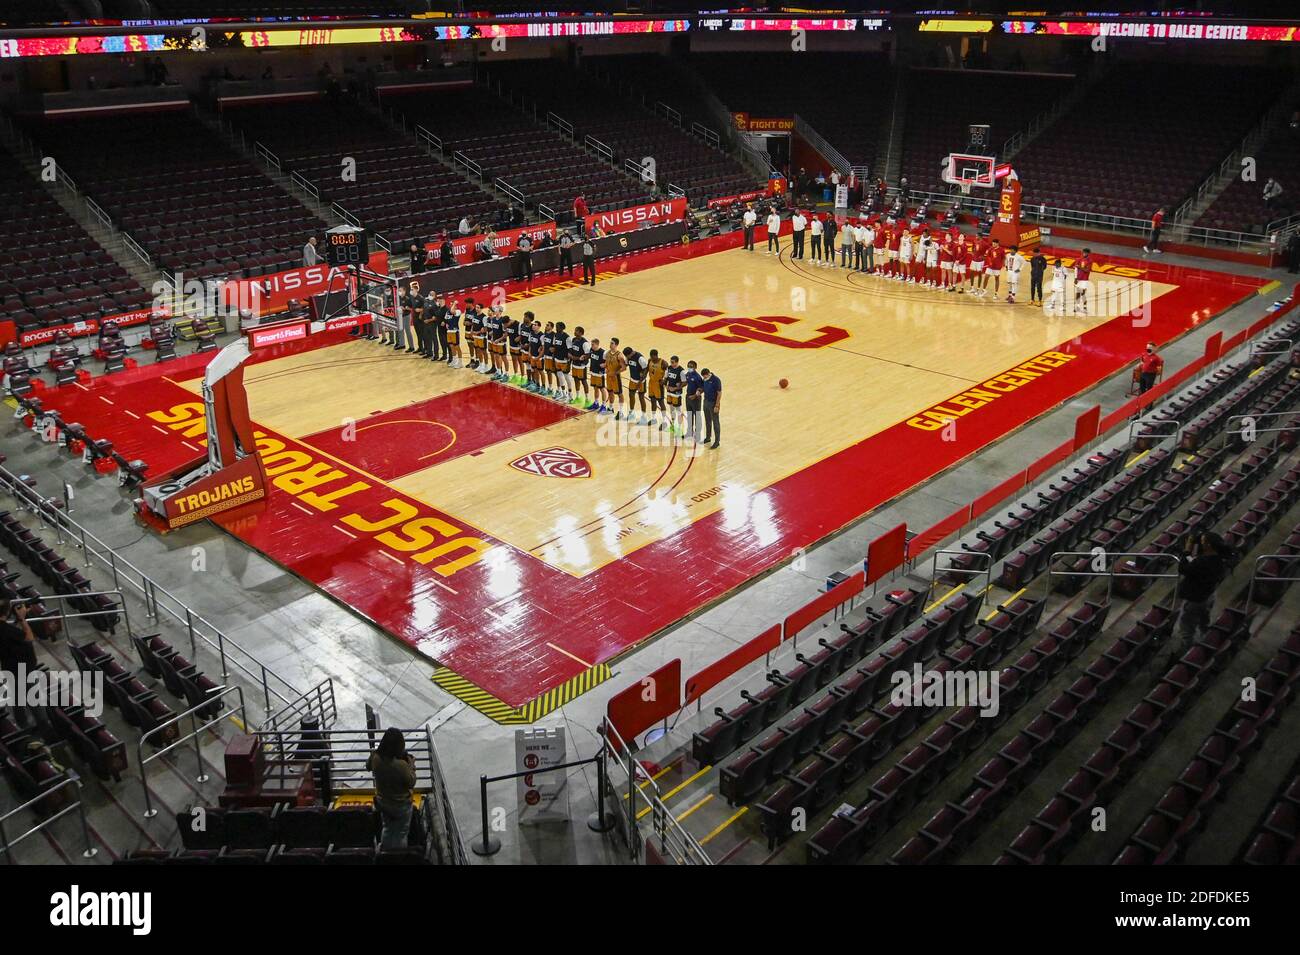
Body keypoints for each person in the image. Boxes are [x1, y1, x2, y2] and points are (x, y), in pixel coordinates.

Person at [1175, 532, 1230, 643]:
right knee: (1203, 622)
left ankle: (1187, 652)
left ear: (1208, 545)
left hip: (1195, 599)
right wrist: (1190, 555)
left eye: (1203, 541)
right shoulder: (1218, 560)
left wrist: (1187, 551)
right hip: (1208, 596)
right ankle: (1206, 643)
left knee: (1186, 628)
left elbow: (1183, 569)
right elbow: (1195, 565)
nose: (1200, 543)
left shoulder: (1203, 561)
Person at [368, 728, 417, 850]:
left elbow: (368, 766)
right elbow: (411, 782)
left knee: (388, 828)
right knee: (401, 834)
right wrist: (411, 766)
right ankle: (397, 857)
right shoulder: (401, 765)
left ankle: (385, 854)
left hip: (383, 802)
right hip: (401, 805)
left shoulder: (376, 758)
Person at [0, 599, 38, 727]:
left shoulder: (6, 629)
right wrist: (22, 619)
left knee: (17, 698)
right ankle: (41, 726)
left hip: (8, 666)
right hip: (22, 668)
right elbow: (29, 638)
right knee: (31, 699)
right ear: (7, 612)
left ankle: (23, 725)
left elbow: (10, 635)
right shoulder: (7, 630)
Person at [699, 367, 722, 449]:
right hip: (706, 401)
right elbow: (704, 389)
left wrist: (717, 405)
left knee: (715, 422)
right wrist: (699, 392)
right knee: (707, 420)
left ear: (708, 374)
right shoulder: (704, 379)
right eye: (703, 377)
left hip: (713, 403)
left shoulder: (716, 380)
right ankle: (708, 437)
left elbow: (719, 394)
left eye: (705, 376)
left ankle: (717, 441)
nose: (704, 378)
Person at [684, 360, 704, 441]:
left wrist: (695, 395)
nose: (689, 368)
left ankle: (698, 435)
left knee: (697, 416)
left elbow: (701, 389)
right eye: (688, 366)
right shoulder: (688, 374)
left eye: (691, 366)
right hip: (688, 397)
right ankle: (689, 432)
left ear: (695, 367)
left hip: (695, 399)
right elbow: (685, 381)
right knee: (689, 415)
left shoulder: (698, 377)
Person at [1074, 247, 1093, 314]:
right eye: (1083, 252)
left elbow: (1087, 270)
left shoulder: (1090, 261)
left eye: (1085, 252)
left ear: (1088, 253)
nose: (1084, 253)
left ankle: (1085, 308)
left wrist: (1080, 267)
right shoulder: (1079, 259)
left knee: (1083, 294)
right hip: (1078, 279)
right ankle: (1077, 307)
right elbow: (1076, 269)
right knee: (1078, 293)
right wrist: (1075, 278)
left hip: (1084, 279)